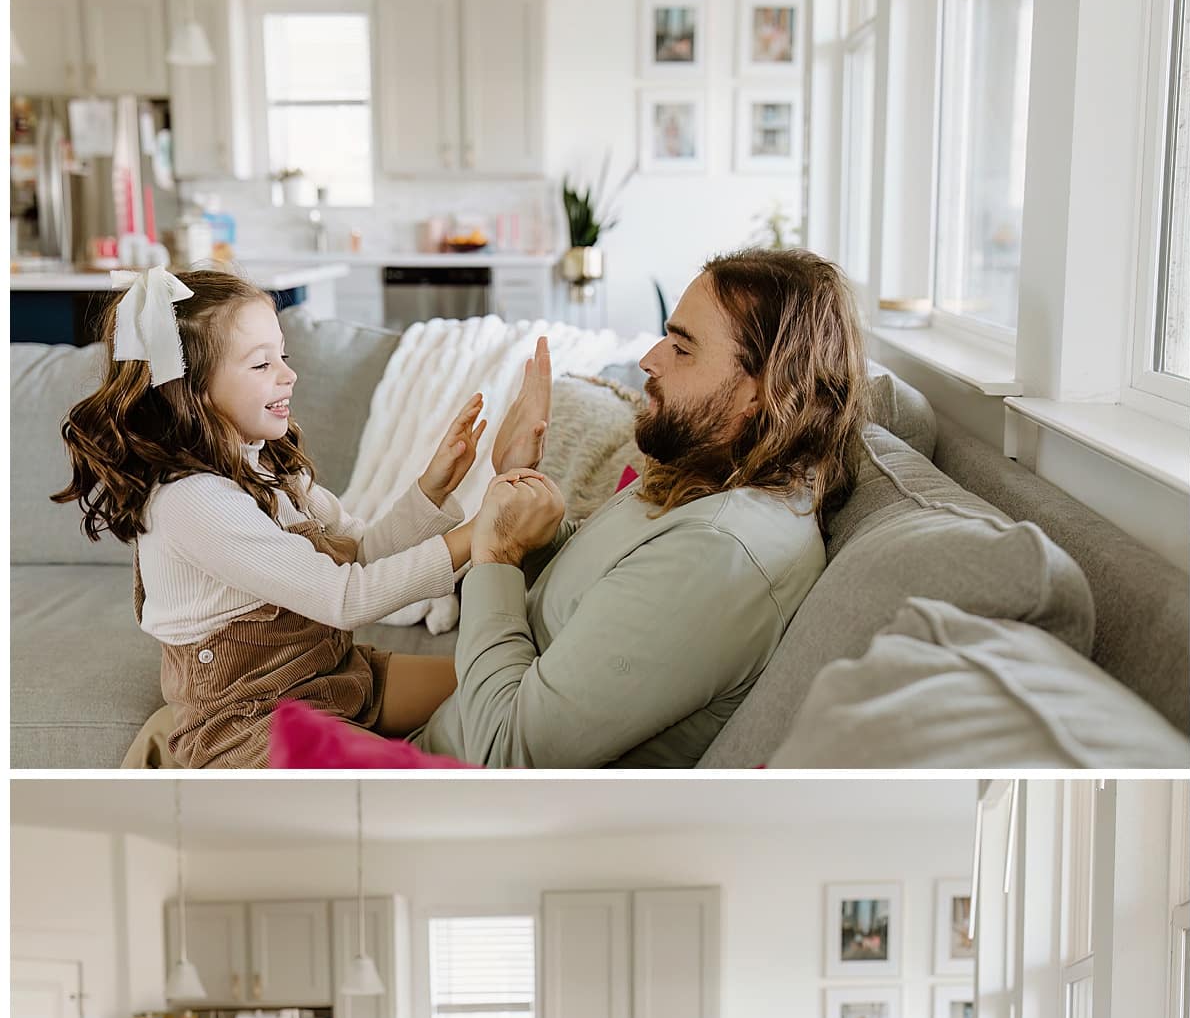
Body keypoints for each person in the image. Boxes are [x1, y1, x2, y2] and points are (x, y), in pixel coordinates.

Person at [52, 267, 529, 769]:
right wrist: (480, 535)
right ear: (193, 391)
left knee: (501, 687)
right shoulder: (191, 502)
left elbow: (362, 552)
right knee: (407, 785)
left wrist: (435, 486)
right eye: (261, 365)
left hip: (330, 678)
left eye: (284, 356)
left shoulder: (268, 465)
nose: (288, 374)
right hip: (250, 722)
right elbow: (345, 598)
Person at [410, 248, 868, 767]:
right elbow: (597, 588)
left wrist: (497, 558)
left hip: (445, 789)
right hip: (431, 750)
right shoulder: (712, 473)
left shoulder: (714, 559)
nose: (649, 358)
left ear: (765, 390)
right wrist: (519, 488)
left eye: (683, 348)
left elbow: (506, 755)